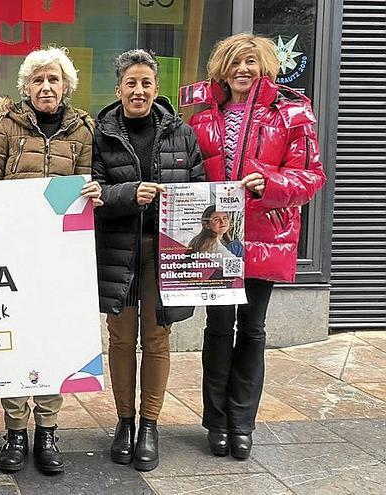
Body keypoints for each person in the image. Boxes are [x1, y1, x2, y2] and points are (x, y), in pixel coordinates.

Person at [183, 33, 325, 460]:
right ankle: (216, 422)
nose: (242, 70)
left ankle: (242, 422)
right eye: (234, 63)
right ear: (221, 70)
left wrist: (272, 183)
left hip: (265, 237)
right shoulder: (202, 116)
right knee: (218, 329)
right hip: (218, 239)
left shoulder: (291, 112)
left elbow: (311, 176)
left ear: (264, 65)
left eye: (250, 62)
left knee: (254, 329)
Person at [0, 46, 102, 475]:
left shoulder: (84, 129)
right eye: (37, 80)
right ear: (25, 87)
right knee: (11, 337)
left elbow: (90, 183)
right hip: (11, 253)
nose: (45, 87)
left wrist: (94, 193)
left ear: (66, 86)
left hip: (60, 256)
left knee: (52, 338)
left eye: (53, 79)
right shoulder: (4, 127)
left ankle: (47, 428)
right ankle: (15, 430)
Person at [91, 49, 204, 472]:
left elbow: (199, 189)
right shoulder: (100, 133)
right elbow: (92, 195)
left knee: (157, 340)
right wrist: (128, 194)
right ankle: (124, 421)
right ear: (118, 89)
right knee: (120, 340)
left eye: (146, 83)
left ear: (157, 89)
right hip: (118, 251)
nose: (138, 91)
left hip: (165, 253)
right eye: (130, 83)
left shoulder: (182, 134)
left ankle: (149, 425)